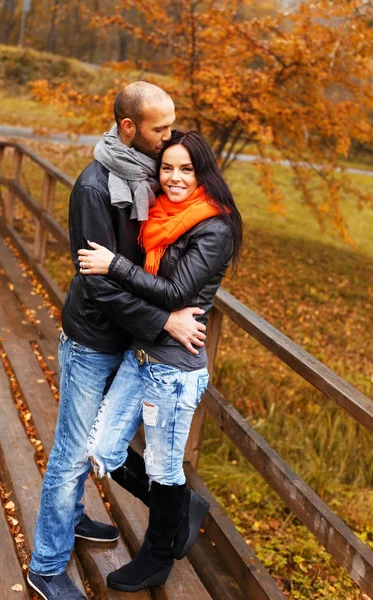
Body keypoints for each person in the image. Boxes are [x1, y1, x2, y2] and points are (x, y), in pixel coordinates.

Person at [27, 83, 208, 600]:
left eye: (171, 125)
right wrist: (164, 322)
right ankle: (45, 566)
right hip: (94, 340)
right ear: (129, 128)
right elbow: (99, 283)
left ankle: (75, 518)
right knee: (71, 453)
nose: (169, 137)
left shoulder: (151, 173)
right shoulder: (94, 187)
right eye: (160, 128)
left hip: (131, 341)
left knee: (98, 444)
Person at [78, 129, 243, 592]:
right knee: (103, 450)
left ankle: (156, 556)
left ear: (203, 172)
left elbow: (176, 292)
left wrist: (114, 265)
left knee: (162, 467)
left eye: (186, 169)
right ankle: (181, 507)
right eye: (166, 167)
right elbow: (161, 297)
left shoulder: (215, 227)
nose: (173, 177)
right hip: (142, 352)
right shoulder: (160, 215)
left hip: (174, 369)